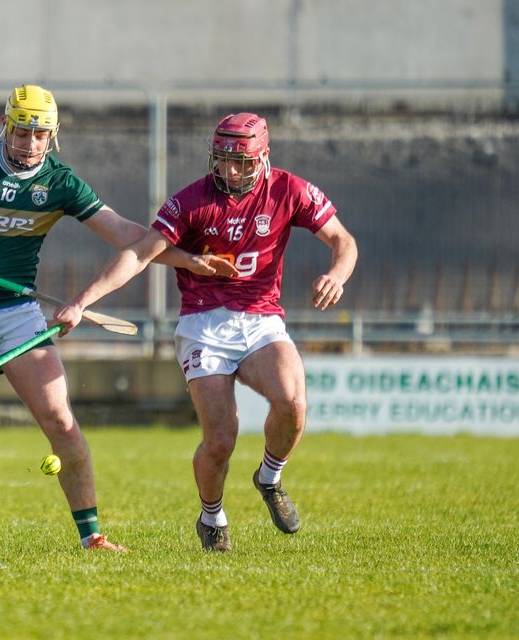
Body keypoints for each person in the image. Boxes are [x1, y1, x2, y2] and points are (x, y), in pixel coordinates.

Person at [0, 84, 225, 551]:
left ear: (53, 136)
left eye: (41, 134)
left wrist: (185, 259)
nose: (30, 143)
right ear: (6, 127)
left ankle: (92, 537)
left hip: (18, 314)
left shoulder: (61, 183)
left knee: (61, 420)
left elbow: (126, 234)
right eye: (22, 131)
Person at [54, 112, 358, 552]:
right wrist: (82, 301)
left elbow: (342, 240)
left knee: (293, 401)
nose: (230, 172)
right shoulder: (191, 201)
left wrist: (338, 275)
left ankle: (269, 478)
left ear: (263, 157)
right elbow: (139, 254)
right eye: (222, 161)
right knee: (221, 439)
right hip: (204, 324)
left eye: (242, 163)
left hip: (261, 318)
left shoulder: (290, 189)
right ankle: (211, 515)